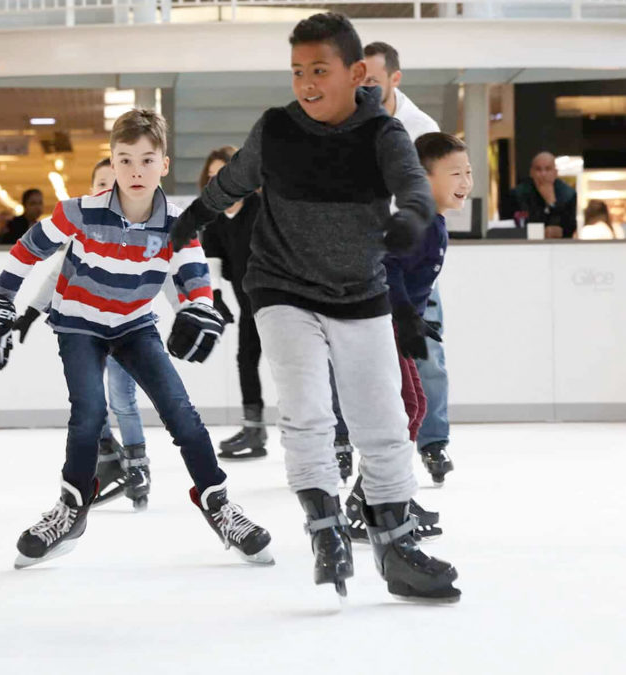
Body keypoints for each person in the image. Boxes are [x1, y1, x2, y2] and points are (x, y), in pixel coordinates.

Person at [169, 12, 460, 602]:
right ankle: (325, 526)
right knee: (306, 410)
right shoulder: (277, 128)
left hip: (361, 289)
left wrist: (408, 219)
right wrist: (190, 222)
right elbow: (234, 182)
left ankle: (395, 545)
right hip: (280, 285)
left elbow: (411, 187)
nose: (305, 82)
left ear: (356, 73)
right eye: (297, 70)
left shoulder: (384, 134)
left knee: (381, 420)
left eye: (319, 70)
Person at [0, 109, 273, 570]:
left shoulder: (178, 220)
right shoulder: (79, 212)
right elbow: (30, 247)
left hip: (134, 326)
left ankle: (220, 504)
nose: (135, 171)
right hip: (79, 326)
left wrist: (198, 308)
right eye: (125, 160)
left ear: (164, 165)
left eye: (147, 161)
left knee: (182, 413)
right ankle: (71, 510)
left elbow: (192, 274)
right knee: (88, 413)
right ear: (111, 160)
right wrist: (1, 299)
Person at [343, 132, 471, 543]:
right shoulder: (416, 221)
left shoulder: (431, 219)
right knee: (409, 409)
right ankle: (373, 500)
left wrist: (414, 319)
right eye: (455, 173)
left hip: (395, 328)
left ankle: (382, 495)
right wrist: (404, 317)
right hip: (381, 327)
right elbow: (388, 266)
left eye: (468, 172)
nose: (466, 182)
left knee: (412, 408)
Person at [333, 40, 449, 484]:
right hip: (358, 263)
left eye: (373, 84)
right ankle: (344, 443)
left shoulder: (421, 128)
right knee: (344, 358)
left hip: (407, 262)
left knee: (427, 353)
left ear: (395, 80)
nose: (362, 92)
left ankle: (433, 443)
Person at [12, 158, 152, 510]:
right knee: (91, 401)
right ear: (90, 191)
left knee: (123, 400)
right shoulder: (84, 229)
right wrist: (30, 312)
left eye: (112, 182)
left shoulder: (140, 227)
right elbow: (56, 274)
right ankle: (106, 458)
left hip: (127, 331)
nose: (106, 189)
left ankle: (138, 468)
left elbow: (167, 273)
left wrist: (197, 306)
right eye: (100, 183)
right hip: (87, 330)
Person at [197, 147, 268, 460]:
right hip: (249, 304)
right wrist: (214, 296)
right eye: (211, 177)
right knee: (246, 359)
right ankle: (254, 428)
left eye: (223, 175)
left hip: (279, 300)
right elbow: (212, 260)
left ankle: (323, 432)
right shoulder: (213, 218)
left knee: (291, 367)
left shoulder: (262, 207)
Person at [362, 42, 440, 139]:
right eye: (358, 79)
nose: (361, 88)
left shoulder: (424, 129)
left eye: (371, 80)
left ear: (395, 79)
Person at [510, 151, 577, 239]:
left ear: (555, 172)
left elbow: (569, 229)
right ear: (531, 172)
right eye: (538, 169)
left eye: (548, 169)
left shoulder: (568, 194)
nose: (543, 174)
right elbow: (514, 226)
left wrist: (552, 203)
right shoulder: (518, 194)